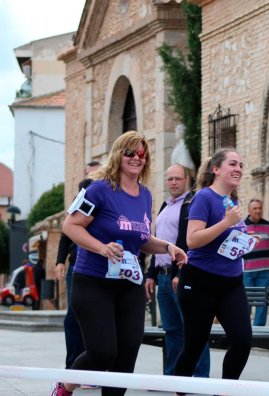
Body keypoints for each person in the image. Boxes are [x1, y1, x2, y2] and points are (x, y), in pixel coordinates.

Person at [55, 131, 187, 396]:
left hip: (128, 284)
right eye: (130, 152)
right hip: (93, 283)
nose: (136, 158)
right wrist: (101, 248)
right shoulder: (99, 189)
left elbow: (140, 238)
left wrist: (168, 247)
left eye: (141, 154)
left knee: (126, 358)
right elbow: (70, 225)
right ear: (118, 154)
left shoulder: (145, 195)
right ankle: (64, 386)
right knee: (103, 353)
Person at [174, 148, 252, 391]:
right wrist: (226, 223)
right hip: (199, 282)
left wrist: (245, 241)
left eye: (240, 164)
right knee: (194, 346)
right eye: (232, 163)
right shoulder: (204, 197)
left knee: (242, 341)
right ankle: (180, 391)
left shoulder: (233, 201)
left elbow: (227, 239)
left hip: (231, 282)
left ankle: (225, 391)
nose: (238, 168)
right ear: (216, 169)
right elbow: (193, 240)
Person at [145, 164, 210, 377]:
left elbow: (186, 242)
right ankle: (173, 377)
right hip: (163, 278)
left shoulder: (191, 204)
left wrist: (180, 273)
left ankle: (200, 378)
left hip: (181, 276)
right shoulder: (165, 206)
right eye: (169, 179)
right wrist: (151, 275)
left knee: (194, 330)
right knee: (172, 331)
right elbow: (159, 243)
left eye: (177, 179)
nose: (173, 182)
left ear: (187, 180)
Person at [55, 161, 100, 371]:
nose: (91, 180)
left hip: (103, 265)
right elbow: (66, 233)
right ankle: (74, 365)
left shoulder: (108, 198)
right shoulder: (80, 199)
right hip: (78, 264)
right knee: (74, 315)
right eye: (88, 176)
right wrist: (59, 261)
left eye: (96, 175)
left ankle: (96, 367)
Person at [242, 198, 269, 326]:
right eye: (255, 208)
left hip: (264, 270)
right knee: (246, 301)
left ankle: (259, 328)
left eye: (260, 208)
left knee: (263, 301)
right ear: (249, 210)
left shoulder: (268, 226)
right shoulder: (242, 226)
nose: (258, 211)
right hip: (247, 271)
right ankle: (245, 328)